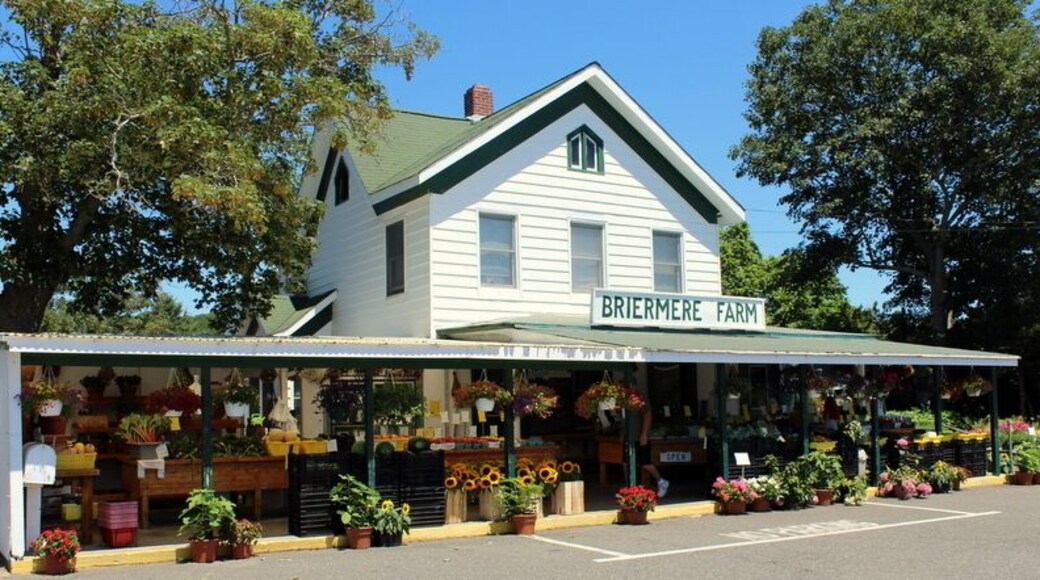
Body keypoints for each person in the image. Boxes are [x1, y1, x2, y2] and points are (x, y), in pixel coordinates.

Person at [638, 406, 669, 498]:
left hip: (640, 437)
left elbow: (647, 415)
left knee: (645, 462)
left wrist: (644, 434)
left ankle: (661, 481)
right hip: (631, 437)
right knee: (627, 462)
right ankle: (632, 488)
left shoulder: (642, 401)